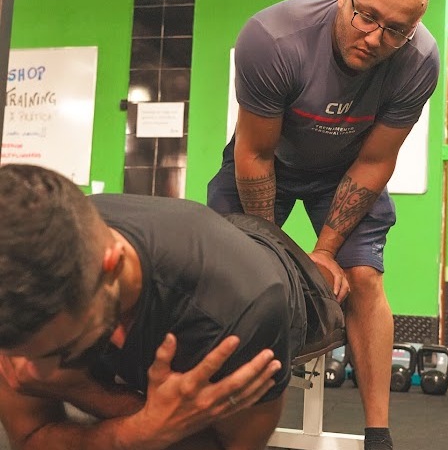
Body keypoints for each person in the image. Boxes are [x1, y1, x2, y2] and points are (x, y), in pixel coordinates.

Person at [207, 0, 440, 449]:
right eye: (366, 16)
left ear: (413, 29)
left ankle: (379, 435)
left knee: (364, 278)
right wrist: (277, 257)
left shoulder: (419, 60)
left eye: (395, 31)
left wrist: (326, 250)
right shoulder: (273, 39)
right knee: (231, 275)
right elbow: (255, 153)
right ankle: (210, 417)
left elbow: (376, 161)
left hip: (346, 169)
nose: (374, 38)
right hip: (267, 160)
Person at [0, 163, 345, 450]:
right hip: (185, 238)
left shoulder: (243, 309)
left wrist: (81, 390)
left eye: (65, 350)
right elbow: (30, 438)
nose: (32, 373)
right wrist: (136, 429)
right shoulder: (16, 292)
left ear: (112, 267)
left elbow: (233, 445)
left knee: (334, 282)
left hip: (282, 274)